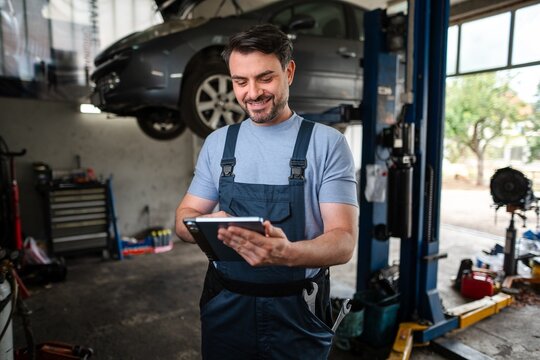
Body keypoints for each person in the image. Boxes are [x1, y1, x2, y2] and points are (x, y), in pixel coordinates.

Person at [175, 23, 358, 359]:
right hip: (226, 307)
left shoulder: (327, 144)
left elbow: (344, 241)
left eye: (265, 78)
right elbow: (182, 218)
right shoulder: (218, 144)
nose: (252, 93)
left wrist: (287, 253)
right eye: (240, 81)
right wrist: (204, 225)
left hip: (297, 312)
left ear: (289, 71)